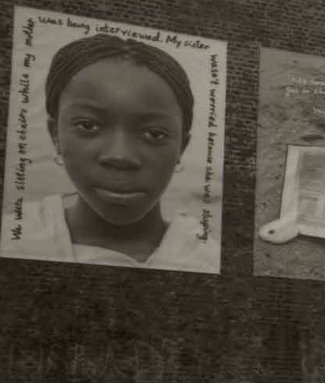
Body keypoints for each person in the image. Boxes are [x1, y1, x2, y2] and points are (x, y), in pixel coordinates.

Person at [14, 34, 213, 271]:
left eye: (154, 134)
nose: (120, 156)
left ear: (182, 146)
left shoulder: (206, 259)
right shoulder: (16, 237)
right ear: (55, 134)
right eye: (88, 126)